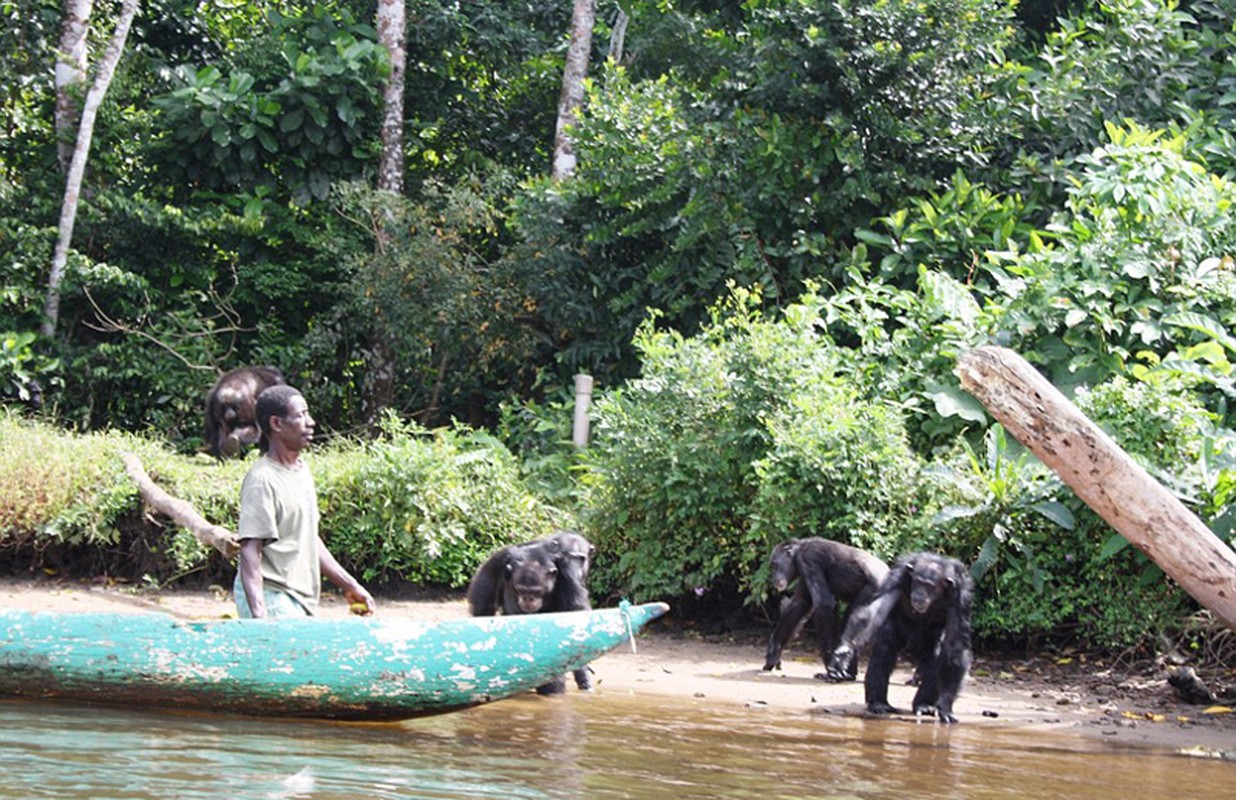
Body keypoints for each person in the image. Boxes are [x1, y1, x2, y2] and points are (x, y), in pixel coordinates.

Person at [233, 384, 376, 619]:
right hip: (271, 595)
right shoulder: (262, 480)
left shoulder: (302, 472)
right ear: (277, 424)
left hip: (298, 598)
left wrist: (349, 585)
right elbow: (250, 552)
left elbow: (308, 538)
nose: (310, 422)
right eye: (301, 415)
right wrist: (260, 621)